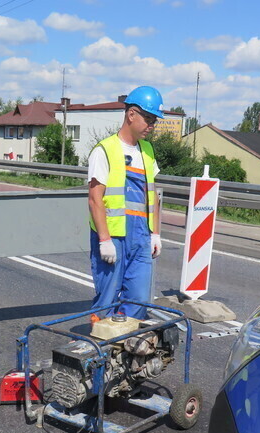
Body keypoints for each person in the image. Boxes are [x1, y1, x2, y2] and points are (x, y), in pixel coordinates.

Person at [87, 85, 164, 321]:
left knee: (139, 299)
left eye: (154, 121)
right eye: (148, 119)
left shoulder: (147, 150)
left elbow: (153, 195)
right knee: (107, 299)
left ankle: (125, 340)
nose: (152, 126)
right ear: (131, 114)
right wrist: (104, 240)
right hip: (113, 235)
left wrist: (155, 234)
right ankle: (99, 340)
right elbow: (95, 199)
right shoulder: (105, 150)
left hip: (141, 237)